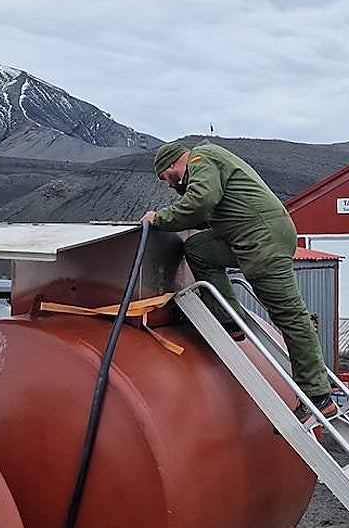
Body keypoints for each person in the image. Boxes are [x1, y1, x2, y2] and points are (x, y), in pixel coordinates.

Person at [142, 140, 337, 424]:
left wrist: (159, 219)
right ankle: (229, 320)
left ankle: (318, 396)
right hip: (245, 238)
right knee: (198, 249)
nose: (167, 186)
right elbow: (210, 212)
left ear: (172, 164)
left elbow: (201, 202)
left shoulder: (201, 159)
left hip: (263, 241)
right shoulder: (208, 162)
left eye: (164, 178)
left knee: (291, 317)